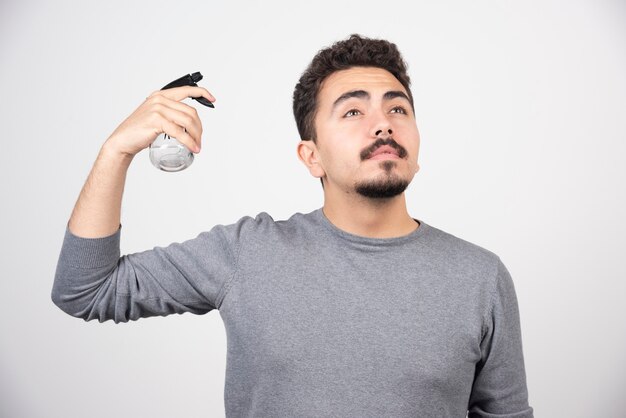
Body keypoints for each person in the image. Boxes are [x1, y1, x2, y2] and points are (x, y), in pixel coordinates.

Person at [52, 34, 533, 417]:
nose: (383, 123)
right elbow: (85, 289)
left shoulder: (480, 277)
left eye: (397, 108)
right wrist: (115, 151)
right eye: (352, 111)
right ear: (312, 156)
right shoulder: (247, 253)